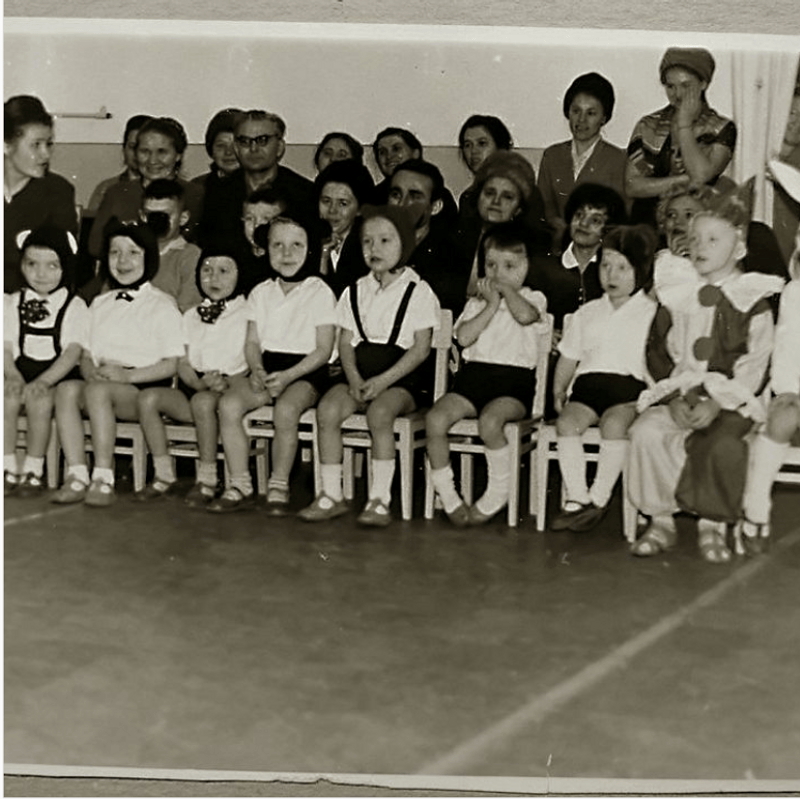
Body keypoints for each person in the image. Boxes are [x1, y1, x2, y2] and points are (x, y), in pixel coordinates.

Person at [627, 180, 784, 562]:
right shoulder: (677, 294)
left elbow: (757, 365)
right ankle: (661, 520)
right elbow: (656, 352)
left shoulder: (752, 301)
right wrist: (673, 397)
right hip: (682, 392)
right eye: (695, 238)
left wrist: (718, 402)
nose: (699, 246)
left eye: (712, 240)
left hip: (731, 401)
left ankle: (711, 525)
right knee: (647, 432)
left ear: (738, 248)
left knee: (722, 443)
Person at [298, 204, 440, 527]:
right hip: (359, 376)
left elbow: (420, 351)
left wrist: (383, 381)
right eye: (367, 241)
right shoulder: (354, 291)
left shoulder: (418, 291)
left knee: (380, 414)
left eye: (385, 241)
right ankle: (330, 494)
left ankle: (379, 498)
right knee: (327, 410)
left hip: (401, 380)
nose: (374, 248)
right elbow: (346, 343)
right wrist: (353, 379)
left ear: (405, 244)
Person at [50, 220, 184, 507]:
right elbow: (86, 354)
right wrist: (90, 372)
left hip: (140, 390)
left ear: (149, 258)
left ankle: (103, 476)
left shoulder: (162, 304)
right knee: (66, 389)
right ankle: (77, 474)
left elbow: (172, 364)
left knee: (98, 392)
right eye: (115, 252)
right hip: (101, 382)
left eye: (133, 253)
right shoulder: (100, 303)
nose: (123, 261)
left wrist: (126, 376)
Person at [212, 214, 336, 513]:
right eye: (277, 245)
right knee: (228, 404)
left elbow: (323, 350)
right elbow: (252, 342)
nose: (286, 253)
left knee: (286, 410)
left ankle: (279, 483)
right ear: (266, 249)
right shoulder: (261, 292)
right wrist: (256, 369)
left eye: (296, 245)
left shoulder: (319, 291)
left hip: (306, 371)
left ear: (310, 248)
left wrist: (289, 376)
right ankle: (240, 482)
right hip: (267, 368)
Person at [425, 220, 547, 526]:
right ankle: (448, 494)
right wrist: (491, 305)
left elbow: (525, 316)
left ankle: (497, 492)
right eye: (491, 265)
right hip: (473, 380)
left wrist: (506, 293)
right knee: (435, 419)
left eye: (509, 266)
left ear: (528, 267)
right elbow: (464, 337)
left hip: (513, 384)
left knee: (490, 422)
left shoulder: (533, 298)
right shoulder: (476, 304)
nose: (498, 274)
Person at [549, 225, 658, 533]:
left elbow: (658, 361)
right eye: (606, 265)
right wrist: (559, 389)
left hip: (628, 389)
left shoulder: (651, 312)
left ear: (641, 271)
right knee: (567, 424)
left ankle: (599, 497)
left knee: (614, 426)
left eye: (623, 268)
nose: (612, 275)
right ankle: (577, 498)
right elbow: (569, 356)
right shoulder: (587, 312)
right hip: (588, 387)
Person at [135, 246, 250, 506]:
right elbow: (184, 362)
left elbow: (252, 356)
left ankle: (207, 479)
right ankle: (164, 473)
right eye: (206, 270)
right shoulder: (190, 315)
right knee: (148, 398)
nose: (213, 278)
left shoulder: (248, 312)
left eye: (223, 271)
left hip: (233, 388)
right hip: (196, 386)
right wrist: (198, 382)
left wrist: (224, 381)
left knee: (203, 402)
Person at [739, 161, 800, 554]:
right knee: (782, 417)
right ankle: (755, 506)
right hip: (792, 390)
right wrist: (786, 391)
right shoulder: (794, 295)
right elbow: (788, 348)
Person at [4, 226, 88, 496]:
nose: (41, 274)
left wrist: (44, 381)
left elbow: (71, 353)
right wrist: (12, 376)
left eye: (52, 266)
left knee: (40, 401)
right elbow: (5, 346)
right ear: (21, 266)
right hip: (20, 371)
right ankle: (7, 466)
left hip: (57, 376)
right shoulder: (11, 302)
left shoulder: (74, 305)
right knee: (6, 396)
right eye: (32, 264)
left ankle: (33, 469)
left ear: (66, 268)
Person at [625, 47, 736, 226]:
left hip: (697, 223)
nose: (677, 94)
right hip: (647, 222)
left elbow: (701, 175)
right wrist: (683, 180)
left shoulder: (721, 128)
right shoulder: (648, 125)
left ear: (703, 83)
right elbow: (632, 186)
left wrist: (684, 123)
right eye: (670, 86)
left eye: (686, 86)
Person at [198, 109, 315, 251]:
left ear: (279, 147)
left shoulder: (304, 193)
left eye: (262, 140)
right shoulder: (219, 192)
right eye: (244, 141)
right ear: (236, 148)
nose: (253, 148)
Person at [88, 116, 204, 258]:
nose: (152, 160)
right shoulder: (117, 193)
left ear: (178, 155)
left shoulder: (195, 194)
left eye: (162, 152)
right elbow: (95, 246)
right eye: (145, 151)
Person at [538, 73, 627, 253]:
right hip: (556, 248)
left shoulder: (619, 160)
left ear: (604, 118)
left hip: (601, 250)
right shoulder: (552, 155)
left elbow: (620, 216)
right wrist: (560, 227)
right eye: (576, 111)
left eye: (591, 113)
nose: (581, 120)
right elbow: (543, 204)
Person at [527, 182, 628, 331]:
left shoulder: (613, 271)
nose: (583, 224)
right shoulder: (543, 267)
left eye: (595, 220)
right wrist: (546, 333)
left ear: (608, 229)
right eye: (579, 215)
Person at [4, 95, 78, 294]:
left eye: (49, 144)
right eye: (36, 145)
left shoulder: (58, 191)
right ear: (6, 145)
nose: (46, 154)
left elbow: (62, 264)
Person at [457, 150, 545, 297]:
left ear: (519, 209)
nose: (496, 202)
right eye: (489, 193)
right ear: (478, 197)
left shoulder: (531, 247)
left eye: (507, 197)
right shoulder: (457, 236)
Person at [388, 158, 468, 314]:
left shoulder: (450, 258)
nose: (402, 204)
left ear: (435, 207)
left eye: (415, 197)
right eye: (396, 195)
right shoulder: (369, 246)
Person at [371, 126, 458, 223]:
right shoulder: (372, 197)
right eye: (382, 152)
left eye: (396, 149)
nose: (389, 156)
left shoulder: (437, 194)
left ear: (415, 154)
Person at [141, 179, 203, 311]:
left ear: (183, 218)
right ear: (142, 217)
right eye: (150, 215)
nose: (157, 220)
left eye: (165, 215)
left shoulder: (190, 256)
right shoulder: (130, 252)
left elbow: (188, 308)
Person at [315, 159, 374, 298]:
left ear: (359, 209)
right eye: (326, 201)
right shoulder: (304, 239)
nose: (332, 210)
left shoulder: (369, 247)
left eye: (343, 203)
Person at [86, 114, 152, 213]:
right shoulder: (105, 189)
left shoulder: (169, 189)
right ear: (124, 148)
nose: (137, 153)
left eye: (144, 149)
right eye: (132, 147)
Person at [456, 114, 514, 215]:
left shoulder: (519, 193)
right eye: (467, 145)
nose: (474, 151)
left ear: (500, 147)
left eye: (482, 143)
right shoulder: (468, 197)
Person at [190, 108, 243, 190]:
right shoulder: (196, 188)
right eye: (221, 146)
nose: (228, 152)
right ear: (211, 150)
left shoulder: (260, 187)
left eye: (235, 145)